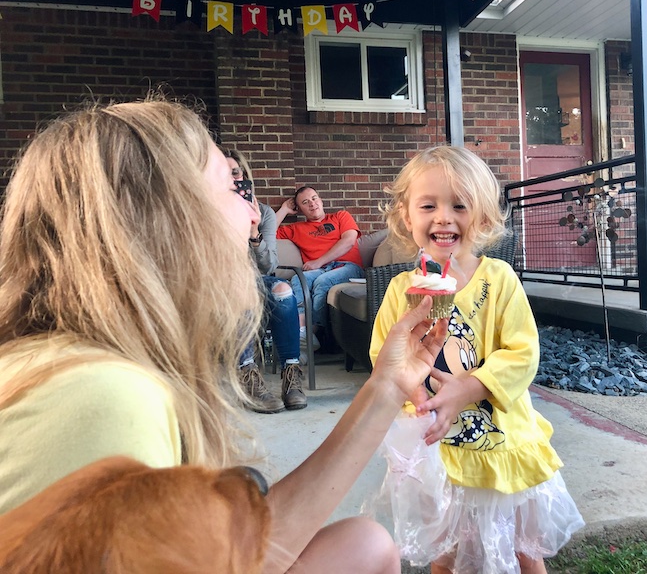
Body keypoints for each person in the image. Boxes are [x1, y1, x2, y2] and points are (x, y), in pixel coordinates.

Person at [0, 97, 448, 573]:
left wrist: (387, 388)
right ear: (165, 219)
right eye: (235, 190)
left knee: (365, 544)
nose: (254, 217)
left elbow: (220, 557)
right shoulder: (103, 397)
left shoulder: (94, 365)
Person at [370, 146, 585, 574]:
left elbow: (523, 352)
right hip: (438, 448)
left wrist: (470, 387)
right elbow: (384, 356)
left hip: (501, 442)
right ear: (406, 216)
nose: (443, 218)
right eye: (428, 206)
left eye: (459, 206)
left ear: (483, 217)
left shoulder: (498, 279)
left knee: (525, 550)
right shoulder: (401, 290)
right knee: (444, 553)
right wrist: (418, 394)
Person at [222, 147, 306, 412]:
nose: (231, 179)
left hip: (257, 278)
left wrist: (253, 232)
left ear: (244, 176)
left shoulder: (264, 213)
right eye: (223, 173)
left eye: (235, 173)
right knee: (240, 290)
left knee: (282, 289)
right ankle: (248, 375)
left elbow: (269, 265)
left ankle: (291, 377)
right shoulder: (207, 213)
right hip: (221, 284)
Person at [275, 186, 365, 352]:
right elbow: (266, 234)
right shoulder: (296, 229)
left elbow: (349, 241)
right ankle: (303, 332)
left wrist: (318, 262)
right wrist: (284, 209)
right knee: (298, 279)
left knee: (323, 282)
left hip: (347, 267)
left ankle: (312, 333)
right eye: (305, 202)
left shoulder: (341, 216)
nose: (312, 203)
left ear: (321, 200)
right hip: (320, 271)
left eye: (314, 198)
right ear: (299, 209)